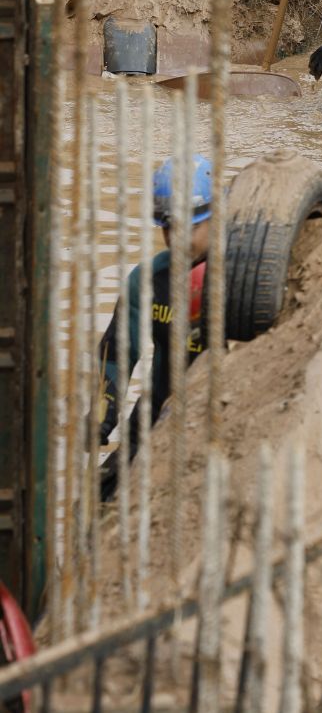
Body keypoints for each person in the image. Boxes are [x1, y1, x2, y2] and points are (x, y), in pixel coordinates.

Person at [99, 155, 211, 477]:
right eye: (169, 227)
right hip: (156, 412)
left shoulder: (242, 280)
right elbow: (118, 353)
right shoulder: (147, 280)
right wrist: (102, 417)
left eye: (191, 227)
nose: (177, 239)